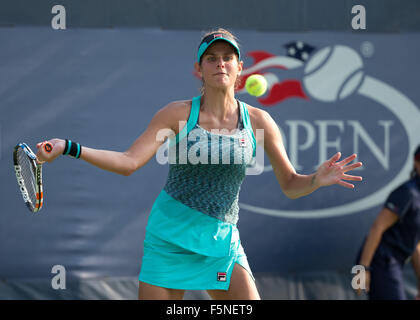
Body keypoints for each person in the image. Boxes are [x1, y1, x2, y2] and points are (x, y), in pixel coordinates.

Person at [36, 28, 363, 300]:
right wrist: (69, 147)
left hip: (221, 240)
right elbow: (128, 162)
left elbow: (291, 185)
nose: (220, 64)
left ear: (239, 68)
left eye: (227, 58)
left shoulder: (260, 121)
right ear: (199, 68)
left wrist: (315, 179)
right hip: (169, 237)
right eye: (211, 58)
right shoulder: (177, 114)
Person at [355, 145, 420, 300]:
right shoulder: (407, 193)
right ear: (416, 164)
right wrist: (363, 269)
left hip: (394, 263)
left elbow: (415, 244)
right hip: (377, 262)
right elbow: (377, 227)